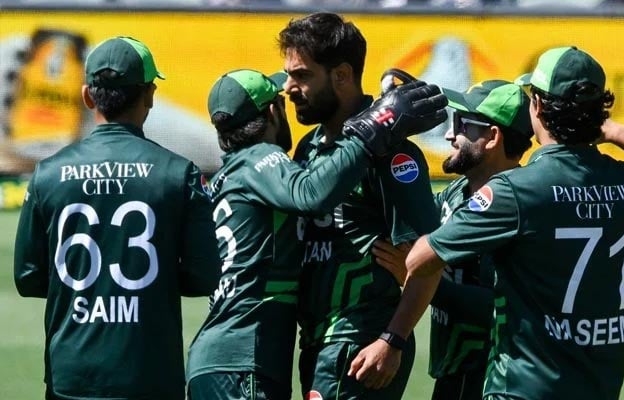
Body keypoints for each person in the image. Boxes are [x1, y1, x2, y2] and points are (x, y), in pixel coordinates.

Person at [348, 46, 624, 400]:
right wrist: (616, 131)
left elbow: (420, 259)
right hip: (598, 388)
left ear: (539, 108)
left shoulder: (516, 190)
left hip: (521, 388)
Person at [185, 67, 445, 400]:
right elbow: (311, 193)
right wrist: (376, 124)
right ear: (271, 112)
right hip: (244, 356)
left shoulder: (231, 173)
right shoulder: (261, 158)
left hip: (222, 354)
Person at [13, 36, 222, 400]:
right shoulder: (180, 173)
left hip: (71, 377)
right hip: (150, 376)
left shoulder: (47, 174)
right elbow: (204, 277)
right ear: (150, 95)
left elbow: (29, 278)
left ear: (87, 96)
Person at [278, 12, 442, 399]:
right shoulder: (310, 146)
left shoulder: (395, 154)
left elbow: (429, 259)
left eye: (301, 75)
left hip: (361, 344)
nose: (288, 87)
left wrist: (393, 340)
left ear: (341, 75)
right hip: (317, 341)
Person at [371, 80, 534, 400]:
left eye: (462, 125)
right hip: (454, 373)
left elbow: (505, 308)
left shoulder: (521, 206)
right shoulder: (454, 195)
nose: (449, 135)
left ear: (493, 137)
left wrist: (418, 277)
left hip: (497, 377)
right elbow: (406, 223)